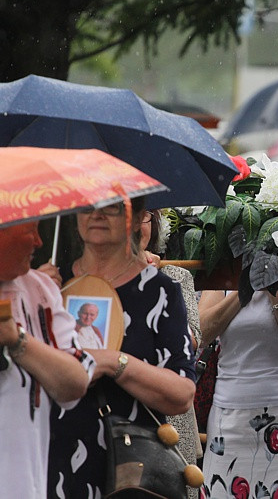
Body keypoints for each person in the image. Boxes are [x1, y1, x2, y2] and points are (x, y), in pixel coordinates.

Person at [48, 199, 196, 496]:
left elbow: (182, 394)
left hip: (130, 467)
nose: (97, 215)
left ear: (139, 216)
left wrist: (116, 362)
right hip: (53, 457)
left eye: (112, 206)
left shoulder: (160, 291)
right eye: (87, 206)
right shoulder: (51, 284)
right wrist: (34, 289)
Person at [197, 287, 278, 499]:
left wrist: (273, 288)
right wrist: (246, 285)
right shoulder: (226, 265)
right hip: (230, 418)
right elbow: (202, 331)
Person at [0, 221, 94, 499]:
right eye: (31, 231)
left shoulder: (38, 290)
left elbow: (75, 382)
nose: (39, 242)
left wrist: (18, 341)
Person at [140, 209, 204, 499]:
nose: (133, 225)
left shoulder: (176, 276)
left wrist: (153, 284)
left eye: (143, 216)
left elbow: (191, 343)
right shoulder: (96, 278)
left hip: (173, 421)